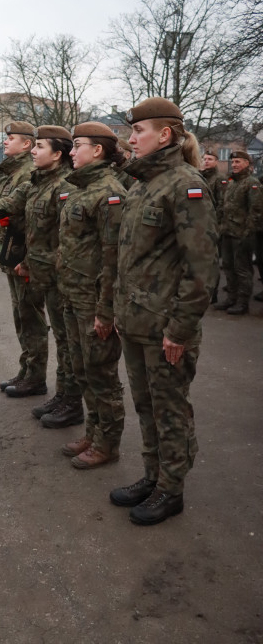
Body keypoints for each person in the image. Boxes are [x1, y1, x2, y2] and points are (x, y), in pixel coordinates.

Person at [111, 97, 218, 525]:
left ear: (165, 135)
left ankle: (171, 489)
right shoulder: (141, 185)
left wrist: (181, 329)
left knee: (170, 409)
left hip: (166, 327)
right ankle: (153, 476)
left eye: (139, 131)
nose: (131, 139)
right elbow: (131, 259)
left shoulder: (186, 185)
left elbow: (202, 267)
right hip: (136, 320)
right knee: (146, 405)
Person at [0, 126, 83, 427]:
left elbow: (64, 237)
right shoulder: (37, 180)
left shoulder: (66, 185)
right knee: (54, 330)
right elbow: (10, 205)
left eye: (40, 146)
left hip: (58, 272)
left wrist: (29, 261)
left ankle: (69, 398)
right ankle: (59, 393)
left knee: (65, 338)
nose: (34, 151)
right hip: (40, 267)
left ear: (57, 154)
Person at [57, 123, 126, 468]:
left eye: (77, 145)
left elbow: (113, 257)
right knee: (83, 370)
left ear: (97, 150)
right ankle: (93, 432)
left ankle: (107, 444)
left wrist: (106, 309)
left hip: (94, 301)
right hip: (73, 295)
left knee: (102, 375)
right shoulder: (81, 188)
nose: (71, 152)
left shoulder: (110, 192)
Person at [0, 122, 48, 397]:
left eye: (10, 138)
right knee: (21, 315)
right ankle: (26, 369)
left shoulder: (27, 172)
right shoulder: (14, 171)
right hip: (13, 250)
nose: (5, 142)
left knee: (30, 316)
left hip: (23, 253)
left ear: (26, 144)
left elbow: (26, 216)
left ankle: (35, 377)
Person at [213, 151, 263, 315]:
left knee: (242, 269)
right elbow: (223, 206)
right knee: (228, 266)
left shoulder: (252, 183)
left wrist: (247, 233)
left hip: (242, 234)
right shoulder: (232, 182)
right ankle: (231, 298)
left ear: (247, 163)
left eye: (238, 162)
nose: (234, 165)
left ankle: (242, 302)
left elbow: (256, 211)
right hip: (227, 231)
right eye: (233, 162)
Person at [200, 148, 225, 303]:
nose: (206, 161)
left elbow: (222, 204)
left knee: (212, 262)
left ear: (216, 161)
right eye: (204, 158)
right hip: (200, 226)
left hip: (212, 226)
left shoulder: (219, 179)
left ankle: (212, 294)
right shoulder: (200, 177)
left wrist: (216, 225)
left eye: (210, 159)